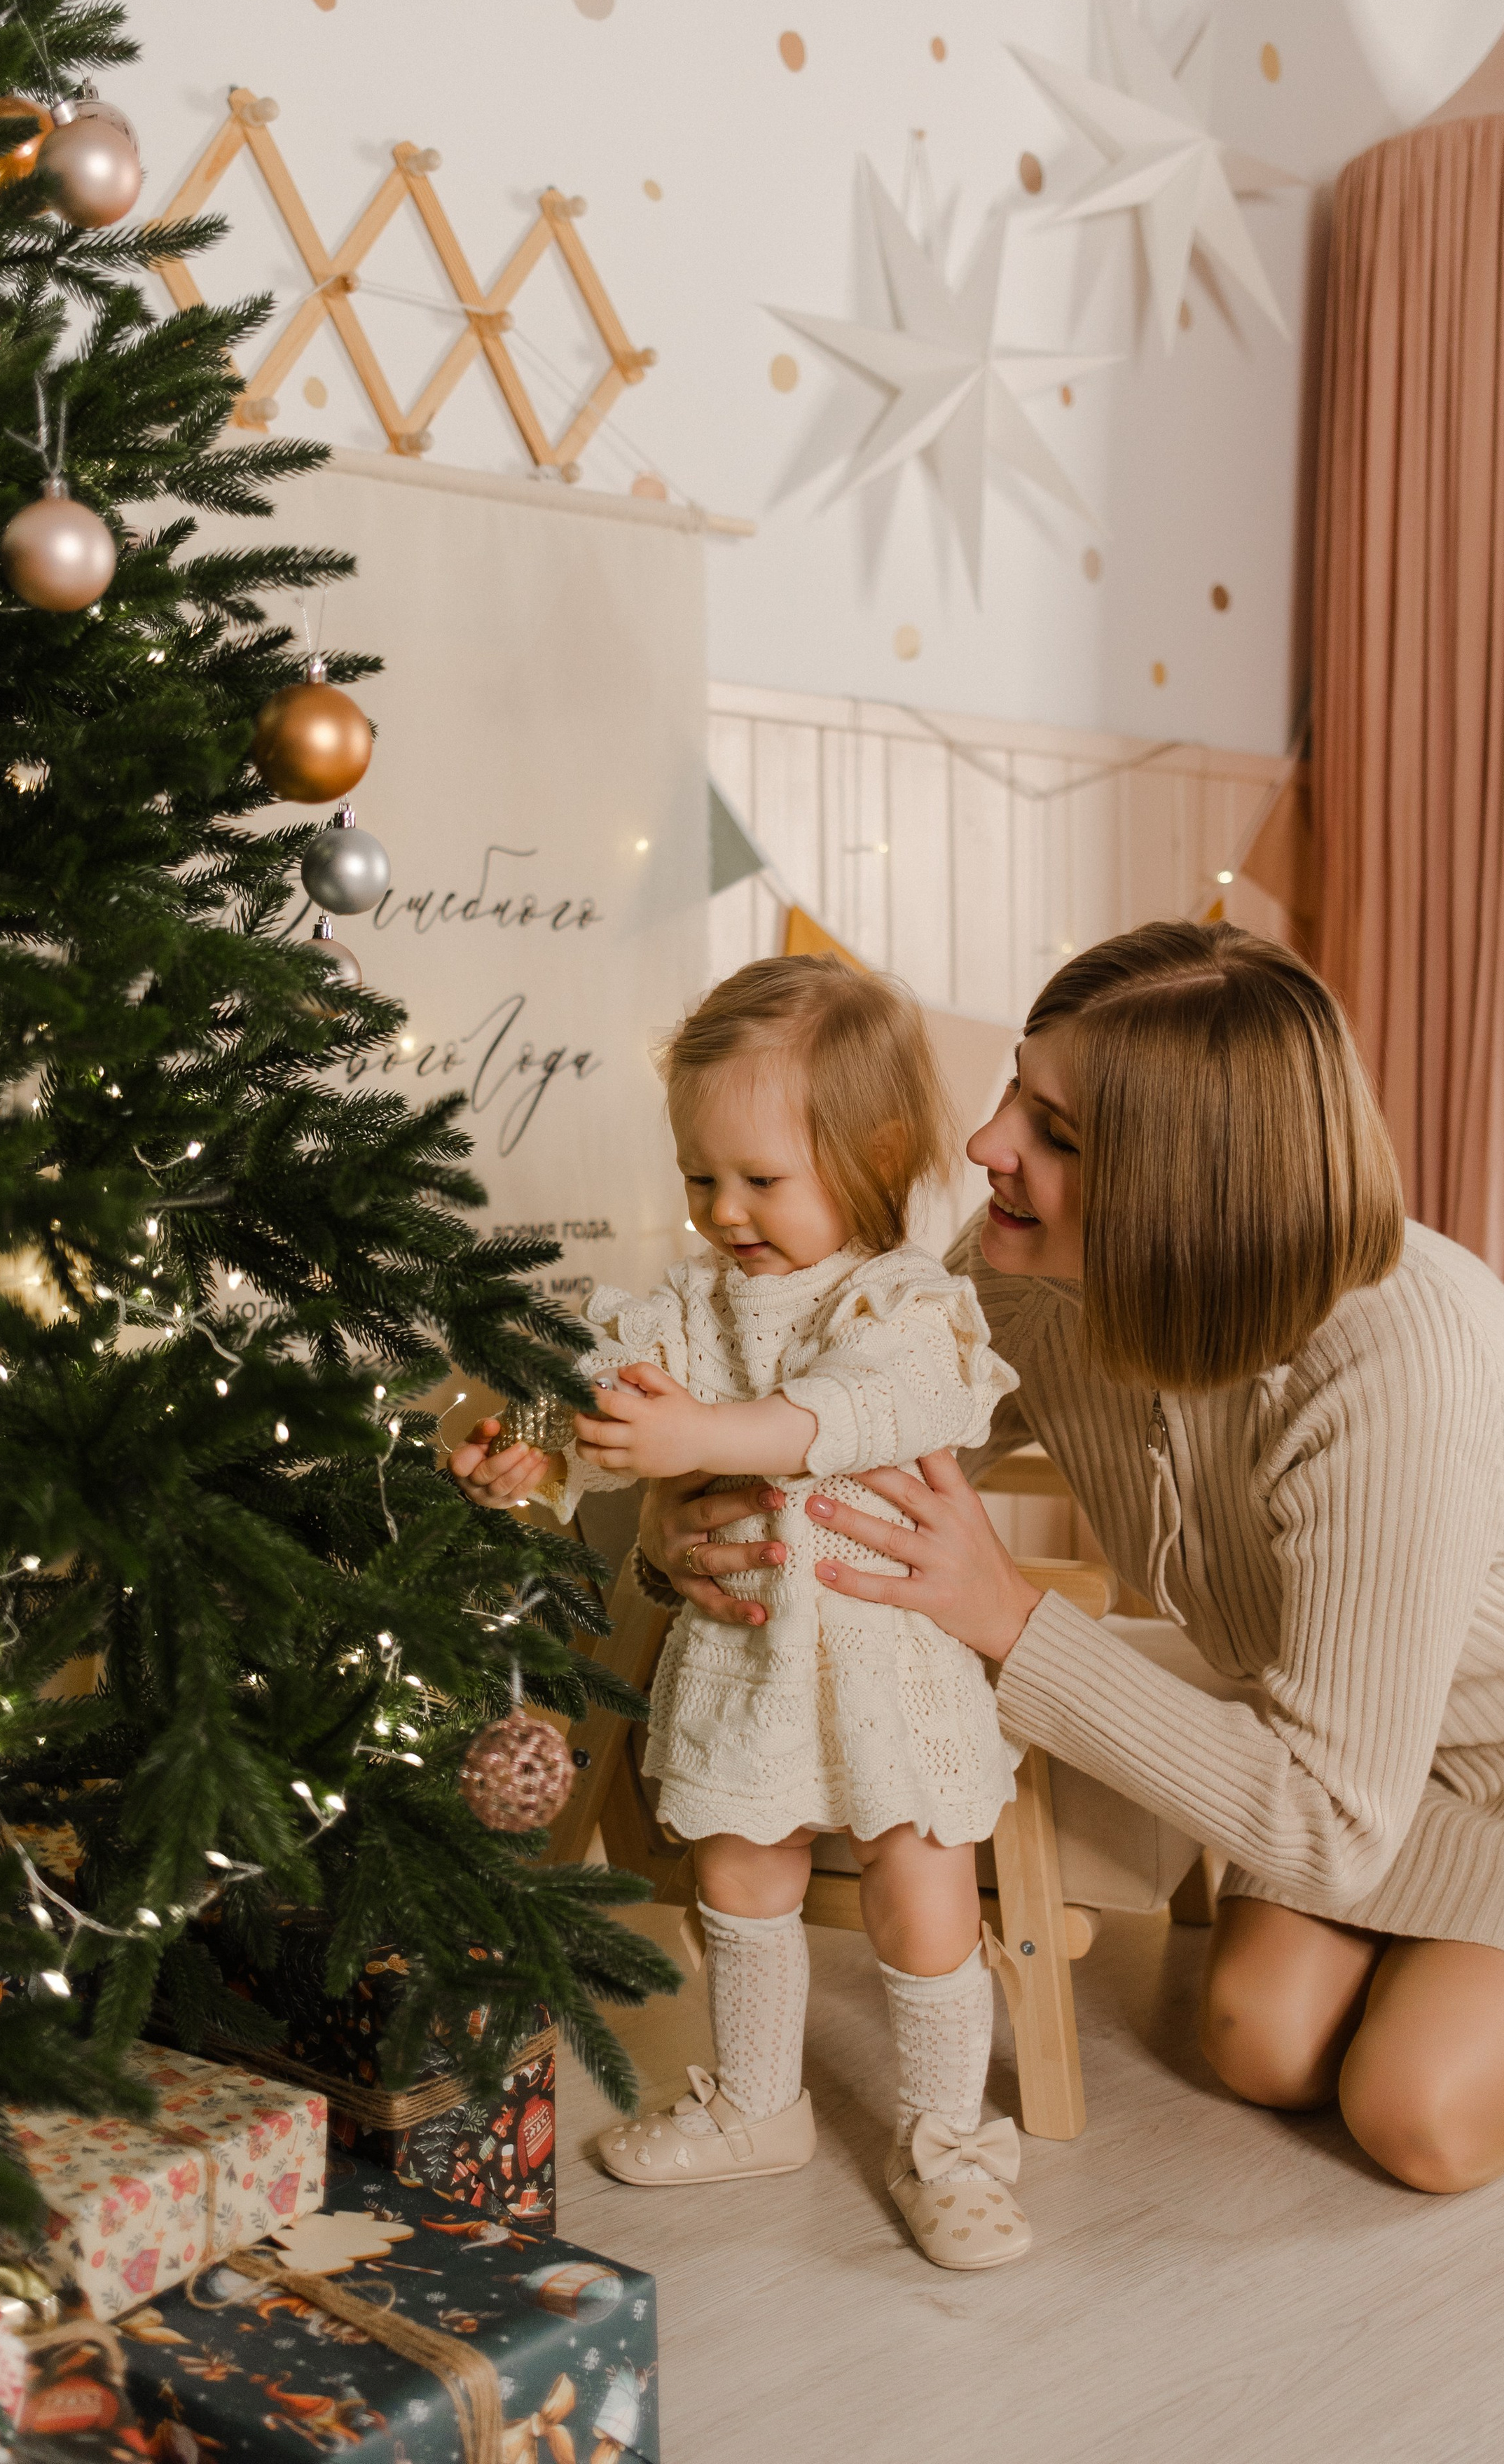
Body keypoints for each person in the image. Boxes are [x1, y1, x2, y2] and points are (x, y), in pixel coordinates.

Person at [630, 920, 1504, 2196]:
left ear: (1186, 1185)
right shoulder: (1018, 1269)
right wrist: (677, 1527)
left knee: (1422, 2118)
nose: (987, 1144)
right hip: (1376, 1741)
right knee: (1259, 2041)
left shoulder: (1397, 1368)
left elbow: (1330, 1825)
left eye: (1056, 1133)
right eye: (1017, 1090)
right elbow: (842, 1455)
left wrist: (1011, 1620)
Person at [453, 954, 1036, 2269]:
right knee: (740, 1868)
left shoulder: (907, 1304)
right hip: (749, 1655)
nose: (724, 1211)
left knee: (921, 1888)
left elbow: (844, 1414)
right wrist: (534, 1449)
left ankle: (949, 2137)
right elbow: (608, 1393)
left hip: (887, 1658)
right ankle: (761, 2104)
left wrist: (702, 1436)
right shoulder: (691, 1304)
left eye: (760, 1180)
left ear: (870, 1157)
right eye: (700, 1177)